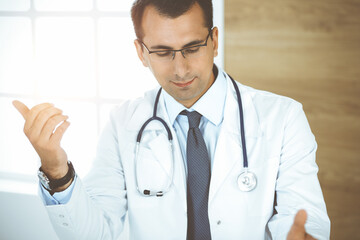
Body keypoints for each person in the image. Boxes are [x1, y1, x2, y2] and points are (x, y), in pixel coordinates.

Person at [13, 0, 330, 239]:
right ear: (141, 52)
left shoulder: (283, 117)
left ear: (214, 41)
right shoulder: (124, 122)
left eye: (192, 47)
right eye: (163, 51)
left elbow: (304, 216)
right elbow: (96, 232)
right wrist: (56, 169)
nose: (180, 69)